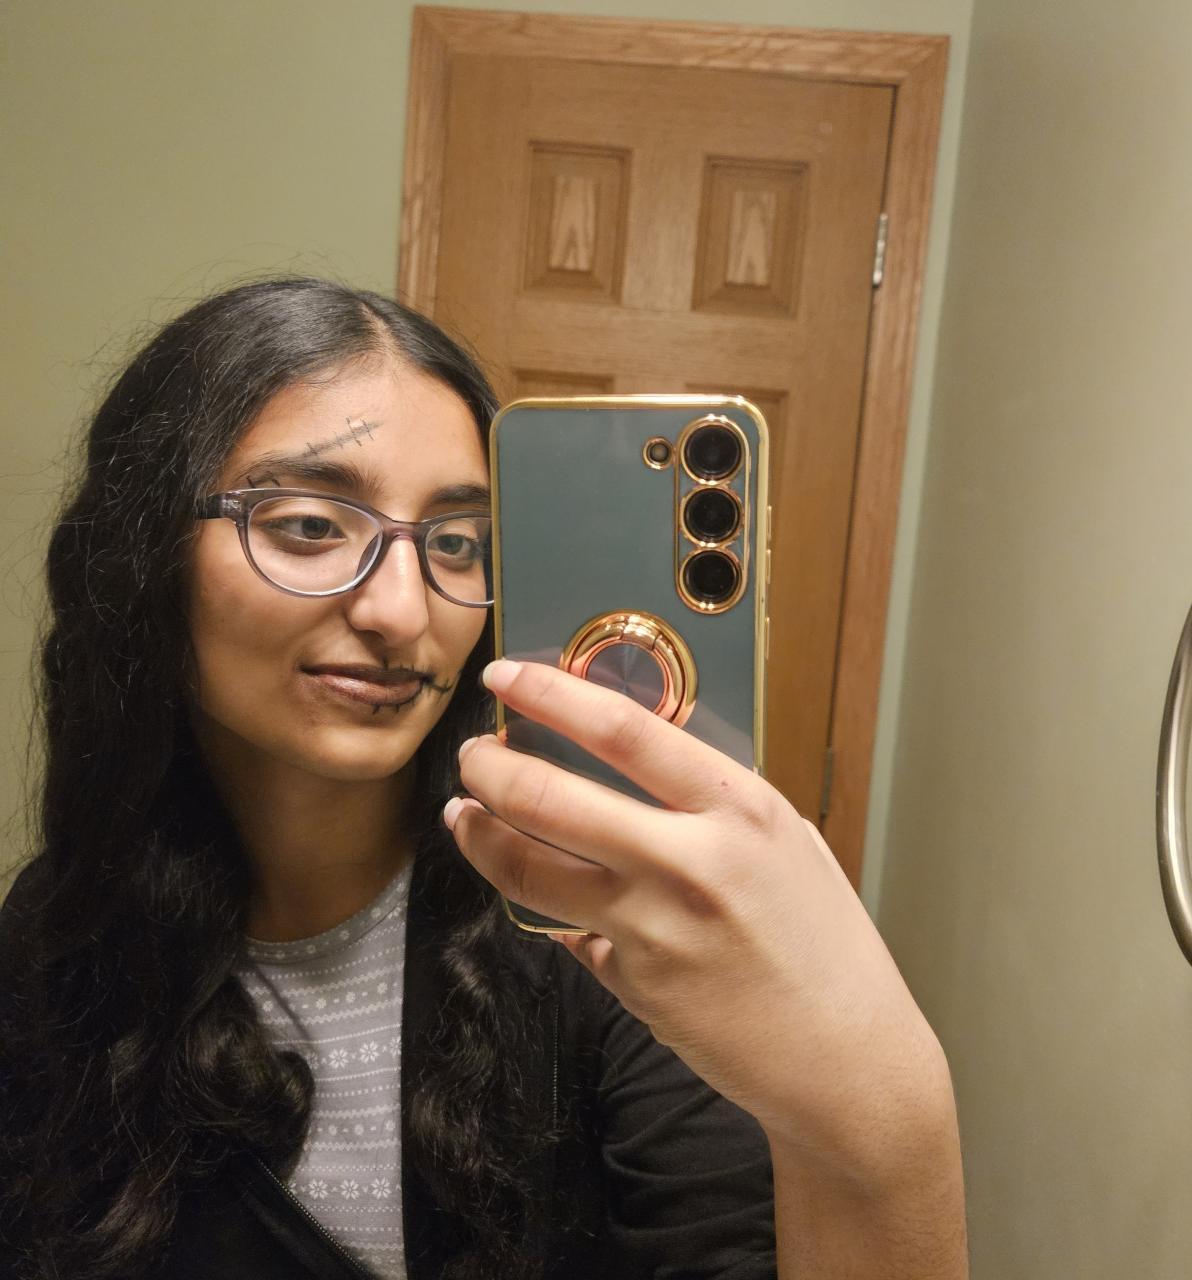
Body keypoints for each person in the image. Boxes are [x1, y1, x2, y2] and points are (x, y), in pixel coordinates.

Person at [0, 278, 967, 1280]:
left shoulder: (595, 936)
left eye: (459, 542)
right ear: (145, 555)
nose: (402, 610)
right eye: (310, 525)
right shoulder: (56, 941)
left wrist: (882, 1120)